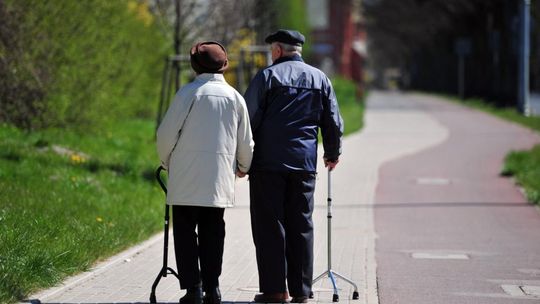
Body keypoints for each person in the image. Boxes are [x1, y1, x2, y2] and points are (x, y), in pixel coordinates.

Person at [244, 29, 344, 303]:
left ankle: (276, 291)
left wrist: (240, 159)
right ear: (297, 49)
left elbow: (247, 119)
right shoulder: (320, 78)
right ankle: (301, 290)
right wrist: (332, 153)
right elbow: (333, 120)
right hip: (304, 165)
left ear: (276, 50)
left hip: (268, 165)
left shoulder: (267, 77)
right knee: (301, 224)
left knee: (269, 226)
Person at [157, 41, 254, 304]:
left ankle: (194, 289)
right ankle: (213, 288)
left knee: (186, 231)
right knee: (214, 232)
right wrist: (244, 166)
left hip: (186, 176)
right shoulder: (236, 98)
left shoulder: (187, 94)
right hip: (218, 178)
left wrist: (166, 162)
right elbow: (246, 141)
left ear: (195, 66)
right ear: (224, 66)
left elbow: (165, 135)